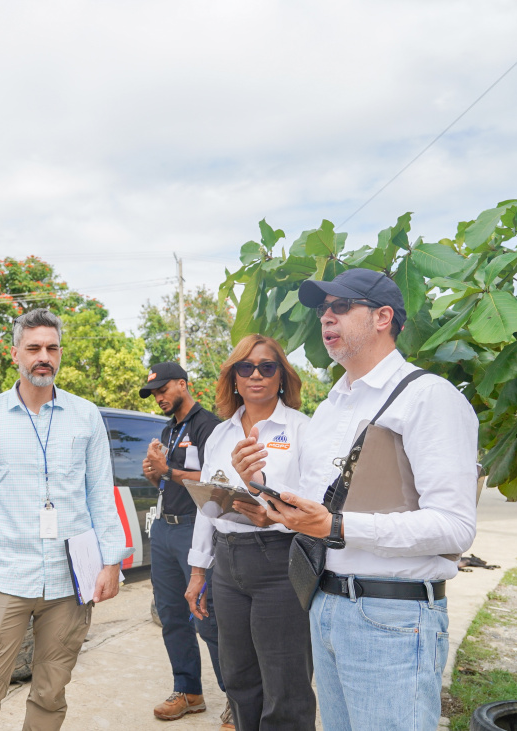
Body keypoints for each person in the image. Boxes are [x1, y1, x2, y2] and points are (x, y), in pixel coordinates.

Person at [235, 269, 478, 730]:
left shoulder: (427, 397)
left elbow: (455, 527)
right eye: (323, 310)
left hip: (392, 615)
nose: (326, 317)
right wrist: (258, 482)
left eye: (342, 306)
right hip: (325, 604)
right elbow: (314, 506)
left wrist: (338, 527)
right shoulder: (330, 409)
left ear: (383, 317)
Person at [0, 308, 132, 731]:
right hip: (6, 577)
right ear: (15, 354)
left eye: (51, 348)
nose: (43, 356)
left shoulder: (86, 415)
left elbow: (101, 495)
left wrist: (111, 561)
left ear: (60, 353)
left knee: (50, 694)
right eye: (33, 348)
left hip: (69, 583)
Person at [185, 334, 315, 731]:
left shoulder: (303, 430)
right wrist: (198, 571)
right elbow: (207, 506)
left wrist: (272, 513)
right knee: (239, 677)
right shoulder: (220, 434)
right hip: (228, 561)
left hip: (280, 560)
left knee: (285, 683)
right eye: (246, 367)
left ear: (282, 377)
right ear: (234, 378)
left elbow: (314, 504)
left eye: (266, 367)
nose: (255, 374)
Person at [137, 362, 230, 728]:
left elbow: (216, 481)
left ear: (182, 383)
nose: (159, 397)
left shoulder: (209, 426)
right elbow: (167, 480)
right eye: (153, 394)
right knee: (172, 615)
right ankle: (189, 692)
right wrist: (154, 473)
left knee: (208, 620)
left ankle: (236, 699)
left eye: (163, 390)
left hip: (197, 528)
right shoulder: (168, 429)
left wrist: (168, 471)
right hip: (165, 527)